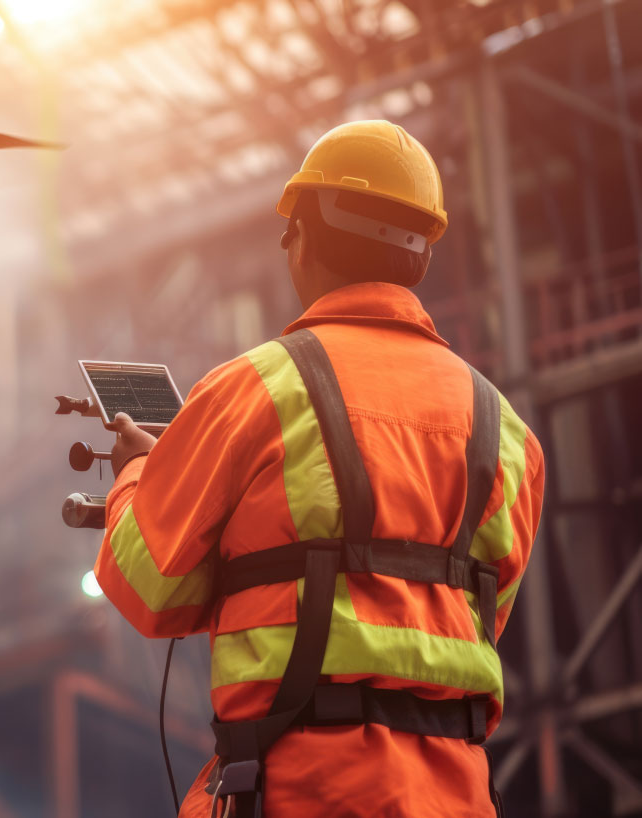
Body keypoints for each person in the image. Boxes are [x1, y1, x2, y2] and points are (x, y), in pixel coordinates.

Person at [94, 120, 545, 817]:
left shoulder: (257, 389)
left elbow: (153, 590)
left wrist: (135, 476)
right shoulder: (508, 433)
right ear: (422, 251)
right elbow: (468, 620)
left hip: (307, 791)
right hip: (457, 796)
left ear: (302, 239)